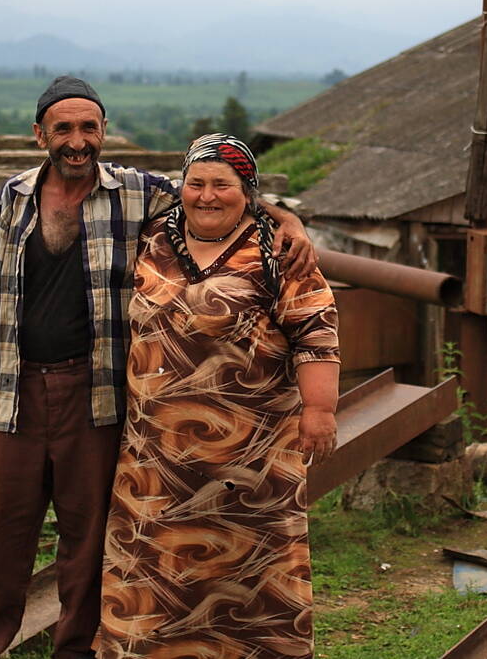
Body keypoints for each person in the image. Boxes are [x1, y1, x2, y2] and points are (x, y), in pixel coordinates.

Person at [0, 79, 314, 659]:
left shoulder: (140, 193)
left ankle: (76, 650)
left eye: (88, 128)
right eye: (63, 129)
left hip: (97, 394)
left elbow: (214, 190)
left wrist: (285, 221)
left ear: (103, 133)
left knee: (88, 544)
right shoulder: (13, 196)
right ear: (39, 134)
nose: (77, 141)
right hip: (13, 391)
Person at [98, 134, 339, 658]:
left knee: (254, 571)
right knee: (154, 567)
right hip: (156, 458)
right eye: (197, 183)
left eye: (222, 185)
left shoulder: (280, 252)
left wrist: (319, 410)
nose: (207, 195)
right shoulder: (153, 236)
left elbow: (315, 331)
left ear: (247, 192)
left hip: (252, 459)